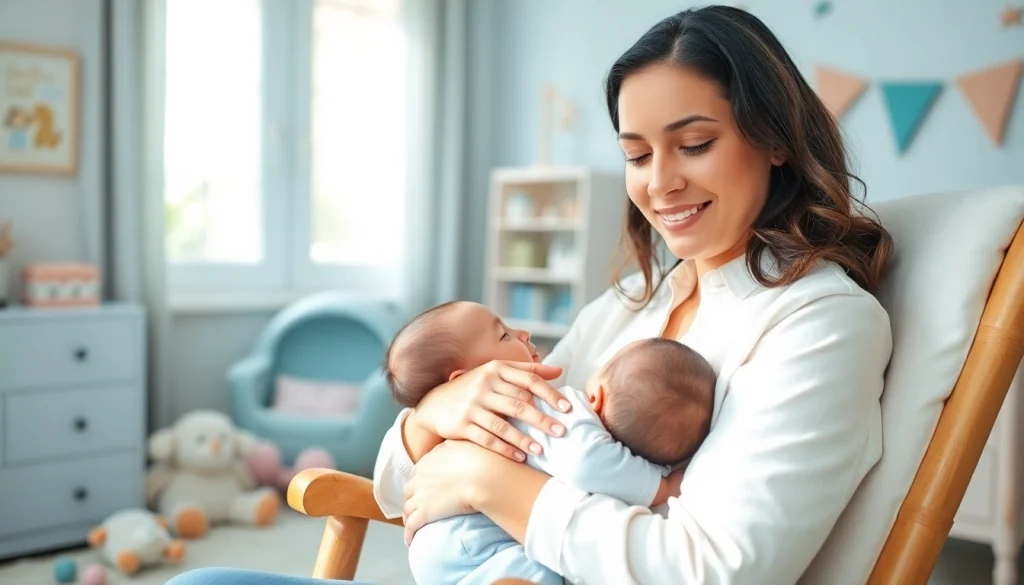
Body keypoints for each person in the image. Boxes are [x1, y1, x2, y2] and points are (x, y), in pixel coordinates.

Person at [166, 5, 893, 584]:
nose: (659, 183)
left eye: (693, 143)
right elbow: (398, 489)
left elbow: (713, 568)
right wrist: (437, 416)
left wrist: (488, 480)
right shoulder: (631, 308)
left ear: (774, 139)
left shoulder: (819, 323)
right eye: (636, 154)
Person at [384, 300, 715, 585]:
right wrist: (660, 486)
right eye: (504, 335)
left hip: (448, 548)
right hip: (472, 546)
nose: (524, 334)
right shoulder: (541, 404)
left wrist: (481, 475)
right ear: (466, 378)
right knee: (538, 573)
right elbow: (588, 461)